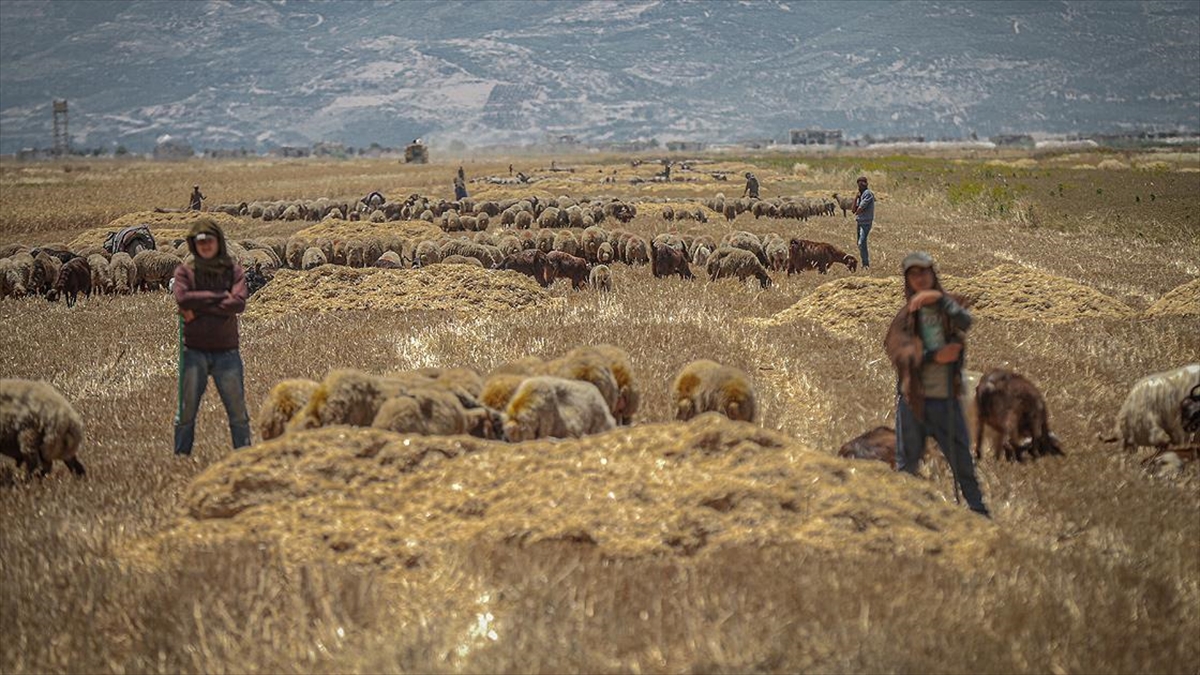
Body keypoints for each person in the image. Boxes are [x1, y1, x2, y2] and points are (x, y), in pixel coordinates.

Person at [888, 252, 989, 517]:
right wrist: (935, 356)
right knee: (907, 464)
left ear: (933, 275)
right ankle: (904, 517)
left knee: (962, 463)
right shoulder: (905, 318)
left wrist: (939, 299)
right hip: (914, 402)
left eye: (925, 272)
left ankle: (979, 514)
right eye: (914, 274)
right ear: (908, 280)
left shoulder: (948, 308)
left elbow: (966, 322)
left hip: (947, 399)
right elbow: (900, 354)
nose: (920, 278)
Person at [172, 218, 251, 457]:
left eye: (210, 240)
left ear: (219, 242)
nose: (206, 245)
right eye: (201, 241)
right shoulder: (185, 272)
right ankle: (181, 456)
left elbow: (237, 303)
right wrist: (220, 298)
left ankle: (245, 456)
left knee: (237, 410)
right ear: (194, 245)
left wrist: (201, 304)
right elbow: (183, 299)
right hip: (194, 351)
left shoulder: (232, 271)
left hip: (226, 351)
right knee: (186, 411)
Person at [853, 176, 874, 269]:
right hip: (859, 221)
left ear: (866, 184)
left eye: (863, 183)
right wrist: (856, 197)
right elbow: (853, 210)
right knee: (859, 243)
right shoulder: (860, 195)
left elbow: (859, 209)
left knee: (862, 242)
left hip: (866, 222)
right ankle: (864, 263)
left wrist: (857, 210)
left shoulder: (868, 194)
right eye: (859, 183)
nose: (861, 185)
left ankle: (866, 264)